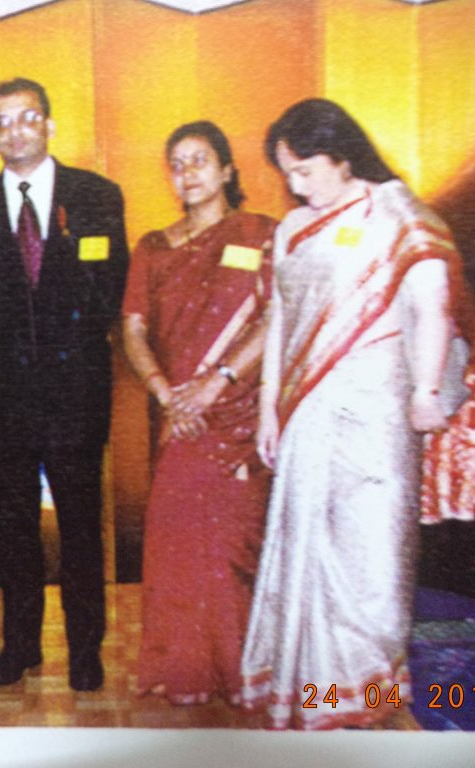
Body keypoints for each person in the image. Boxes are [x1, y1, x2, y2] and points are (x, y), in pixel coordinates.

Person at [241, 98, 475, 729]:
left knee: (372, 558)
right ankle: (316, 693)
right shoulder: (292, 230)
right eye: (288, 173)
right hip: (306, 412)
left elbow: (432, 306)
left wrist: (426, 391)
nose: (296, 186)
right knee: (307, 547)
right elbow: (279, 322)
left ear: (342, 156)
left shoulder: (396, 215)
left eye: (305, 169)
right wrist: (268, 409)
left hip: (380, 415)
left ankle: (368, 695)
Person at [0, 77, 128, 692]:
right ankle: (20, 644)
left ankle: (85, 649)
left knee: (80, 522)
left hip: (77, 389)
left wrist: (59, 351)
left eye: (28, 117)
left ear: (49, 125)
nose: (16, 131)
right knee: (14, 523)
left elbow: (109, 288)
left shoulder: (96, 195)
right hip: (4, 395)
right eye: (2, 121)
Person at [122, 121, 276, 706]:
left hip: (238, 414)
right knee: (177, 542)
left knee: (235, 547)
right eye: (177, 163)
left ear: (227, 170)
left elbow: (277, 317)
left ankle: (242, 672)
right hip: (176, 416)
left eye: (200, 160)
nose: (186, 173)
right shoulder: (154, 247)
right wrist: (167, 394)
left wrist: (217, 383)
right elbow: (133, 328)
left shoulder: (262, 234)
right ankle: (186, 669)